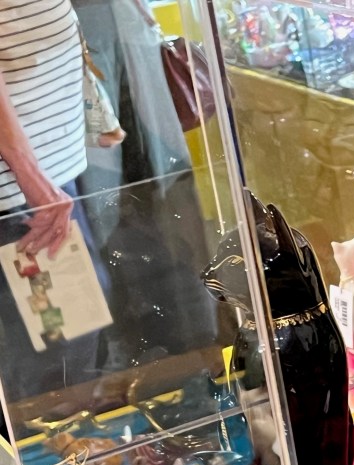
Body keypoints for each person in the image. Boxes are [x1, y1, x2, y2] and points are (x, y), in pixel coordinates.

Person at [74, 0, 221, 371]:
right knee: (124, 213)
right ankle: (161, 349)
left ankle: (184, 350)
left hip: (115, 52)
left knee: (153, 211)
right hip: (93, 55)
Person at [0, 0, 111, 404]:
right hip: (21, 192)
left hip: (43, 177)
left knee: (69, 331)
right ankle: (59, 458)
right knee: (61, 338)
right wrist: (35, 183)